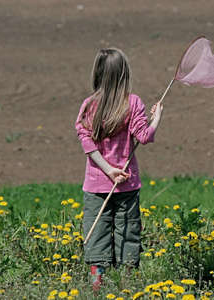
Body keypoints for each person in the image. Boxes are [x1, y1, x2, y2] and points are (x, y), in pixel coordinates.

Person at [75, 48, 164, 291]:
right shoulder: (133, 102)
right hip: (127, 183)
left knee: (97, 234)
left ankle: (97, 286)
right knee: (128, 232)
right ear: (124, 74)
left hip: (96, 186)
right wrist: (156, 118)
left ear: (98, 73)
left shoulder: (89, 105)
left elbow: (86, 141)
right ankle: (127, 284)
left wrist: (106, 170)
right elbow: (144, 137)